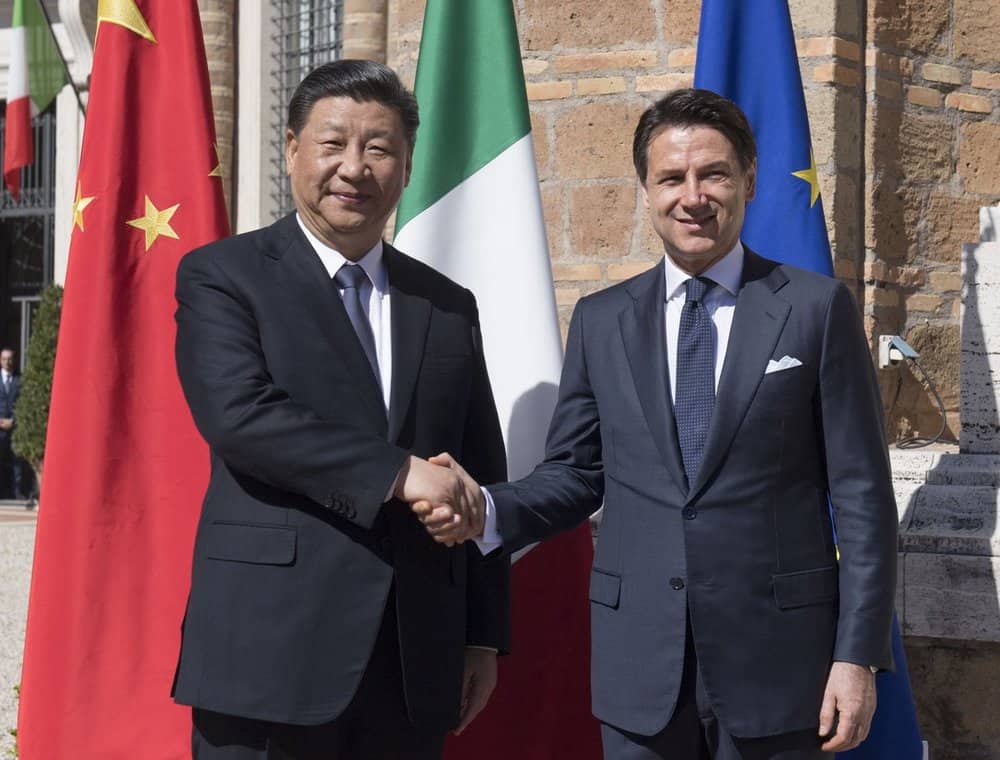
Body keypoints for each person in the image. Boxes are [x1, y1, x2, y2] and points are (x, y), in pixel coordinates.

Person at [418, 89, 898, 760]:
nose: (692, 196)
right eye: (672, 178)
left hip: (782, 667)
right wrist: (485, 507)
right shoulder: (601, 319)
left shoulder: (815, 310)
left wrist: (858, 657)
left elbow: (863, 498)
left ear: (749, 181)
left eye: (714, 174)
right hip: (640, 669)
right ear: (646, 190)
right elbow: (576, 474)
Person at [171, 60, 509, 760]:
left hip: (414, 655)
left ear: (408, 167)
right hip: (270, 653)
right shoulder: (224, 277)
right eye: (333, 144)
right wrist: (399, 474)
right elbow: (241, 416)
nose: (354, 167)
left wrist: (481, 631)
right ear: (293, 148)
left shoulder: (446, 304)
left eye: (379, 148)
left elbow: (480, 469)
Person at [0, 347, 23, 500]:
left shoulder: (20, 379)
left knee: (17, 462)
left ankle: (17, 492)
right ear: (0, 360)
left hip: (15, 427)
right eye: (4, 359)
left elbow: (23, 403)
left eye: (10, 359)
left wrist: (14, 420)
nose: (7, 362)